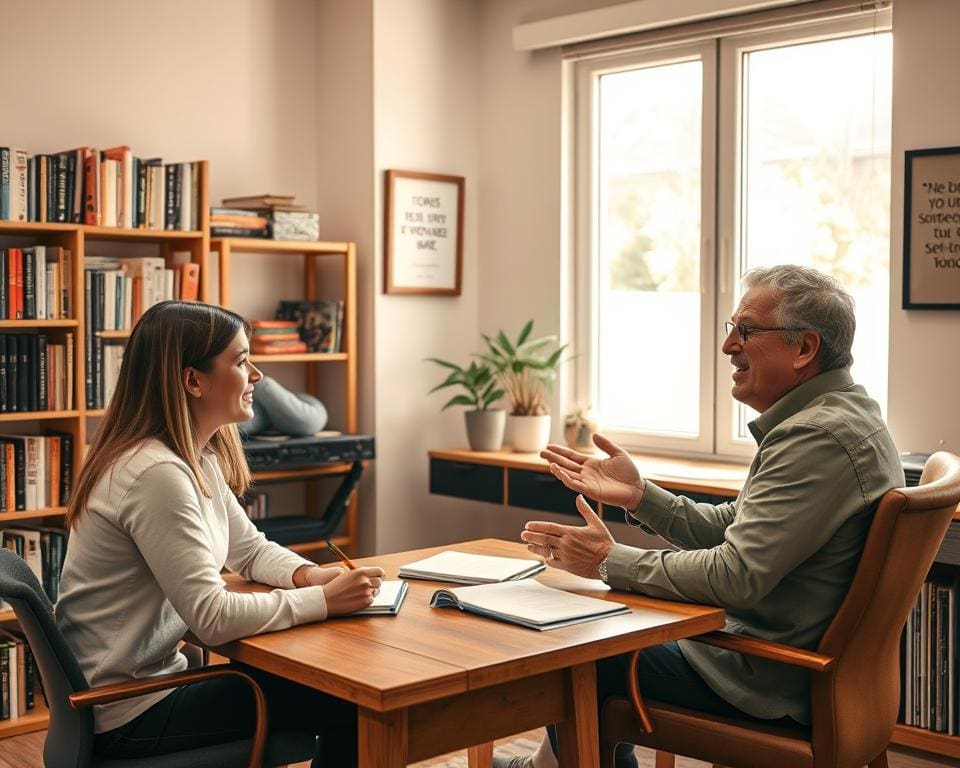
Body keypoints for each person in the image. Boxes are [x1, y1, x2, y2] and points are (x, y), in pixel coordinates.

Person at [494, 265, 903, 768]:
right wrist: (640, 496)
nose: (729, 346)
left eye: (746, 331)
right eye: (731, 328)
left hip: (766, 680)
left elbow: (735, 574)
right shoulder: (845, 414)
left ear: (805, 349)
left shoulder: (816, 438)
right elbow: (741, 528)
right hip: (810, 671)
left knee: (581, 652)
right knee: (598, 632)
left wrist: (607, 561)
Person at [56, 301, 383, 766]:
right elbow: (212, 616)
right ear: (193, 380)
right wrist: (325, 603)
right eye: (241, 360)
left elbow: (248, 550)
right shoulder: (157, 475)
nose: (258, 375)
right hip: (131, 710)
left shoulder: (191, 458)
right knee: (357, 703)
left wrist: (313, 577)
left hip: (141, 690)